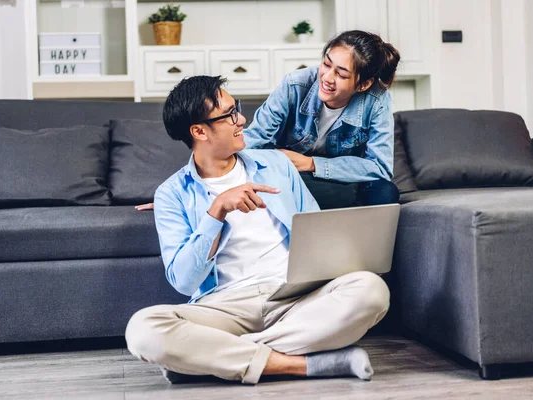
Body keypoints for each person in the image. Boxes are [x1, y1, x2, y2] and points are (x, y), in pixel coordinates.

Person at [125, 75, 390, 385]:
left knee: (371, 291)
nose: (242, 119)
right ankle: (303, 365)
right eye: (228, 114)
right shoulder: (171, 194)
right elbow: (184, 282)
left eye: (236, 108)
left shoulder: (276, 164)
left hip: (293, 298)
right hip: (224, 306)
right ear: (199, 131)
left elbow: (318, 235)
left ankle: (211, 358)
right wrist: (217, 211)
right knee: (143, 330)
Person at [243, 30, 401, 209]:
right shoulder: (294, 84)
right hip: (291, 175)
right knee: (275, 184)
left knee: (385, 192)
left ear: (363, 84)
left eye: (341, 75)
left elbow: (380, 168)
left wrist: (311, 164)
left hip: (337, 178)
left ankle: (302, 203)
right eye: (326, 64)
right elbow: (254, 139)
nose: (327, 78)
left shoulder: (377, 101)